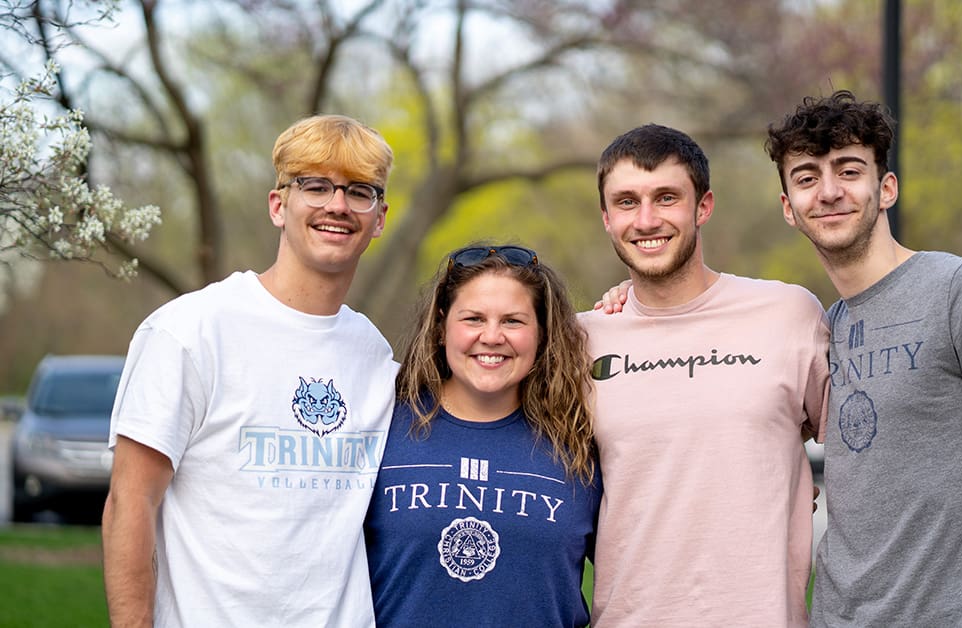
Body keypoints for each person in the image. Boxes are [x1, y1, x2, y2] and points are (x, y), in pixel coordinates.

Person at [764, 90, 962, 626]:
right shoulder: (823, 329)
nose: (827, 191)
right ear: (788, 209)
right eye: (806, 177)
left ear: (886, 187)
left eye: (848, 170)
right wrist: (630, 300)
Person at [101, 114, 398, 627]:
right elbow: (130, 503)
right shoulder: (190, 331)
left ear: (380, 218)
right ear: (279, 205)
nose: (337, 205)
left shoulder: (372, 352)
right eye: (316, 185)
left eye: (359, 191)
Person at [577, 124, 830, 626]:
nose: (646, 220)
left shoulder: (788, 314)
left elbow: (861, 462)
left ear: (704, 206)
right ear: (606, 218)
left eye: (666, 197)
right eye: (626, 202)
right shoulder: (580, 341)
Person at [364, 244, 601, 627]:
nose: (491, 337)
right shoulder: (381, 425)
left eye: (513, 321)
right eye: (473, 318)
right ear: (442, 327)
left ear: (541, 334)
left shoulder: (578, 443)